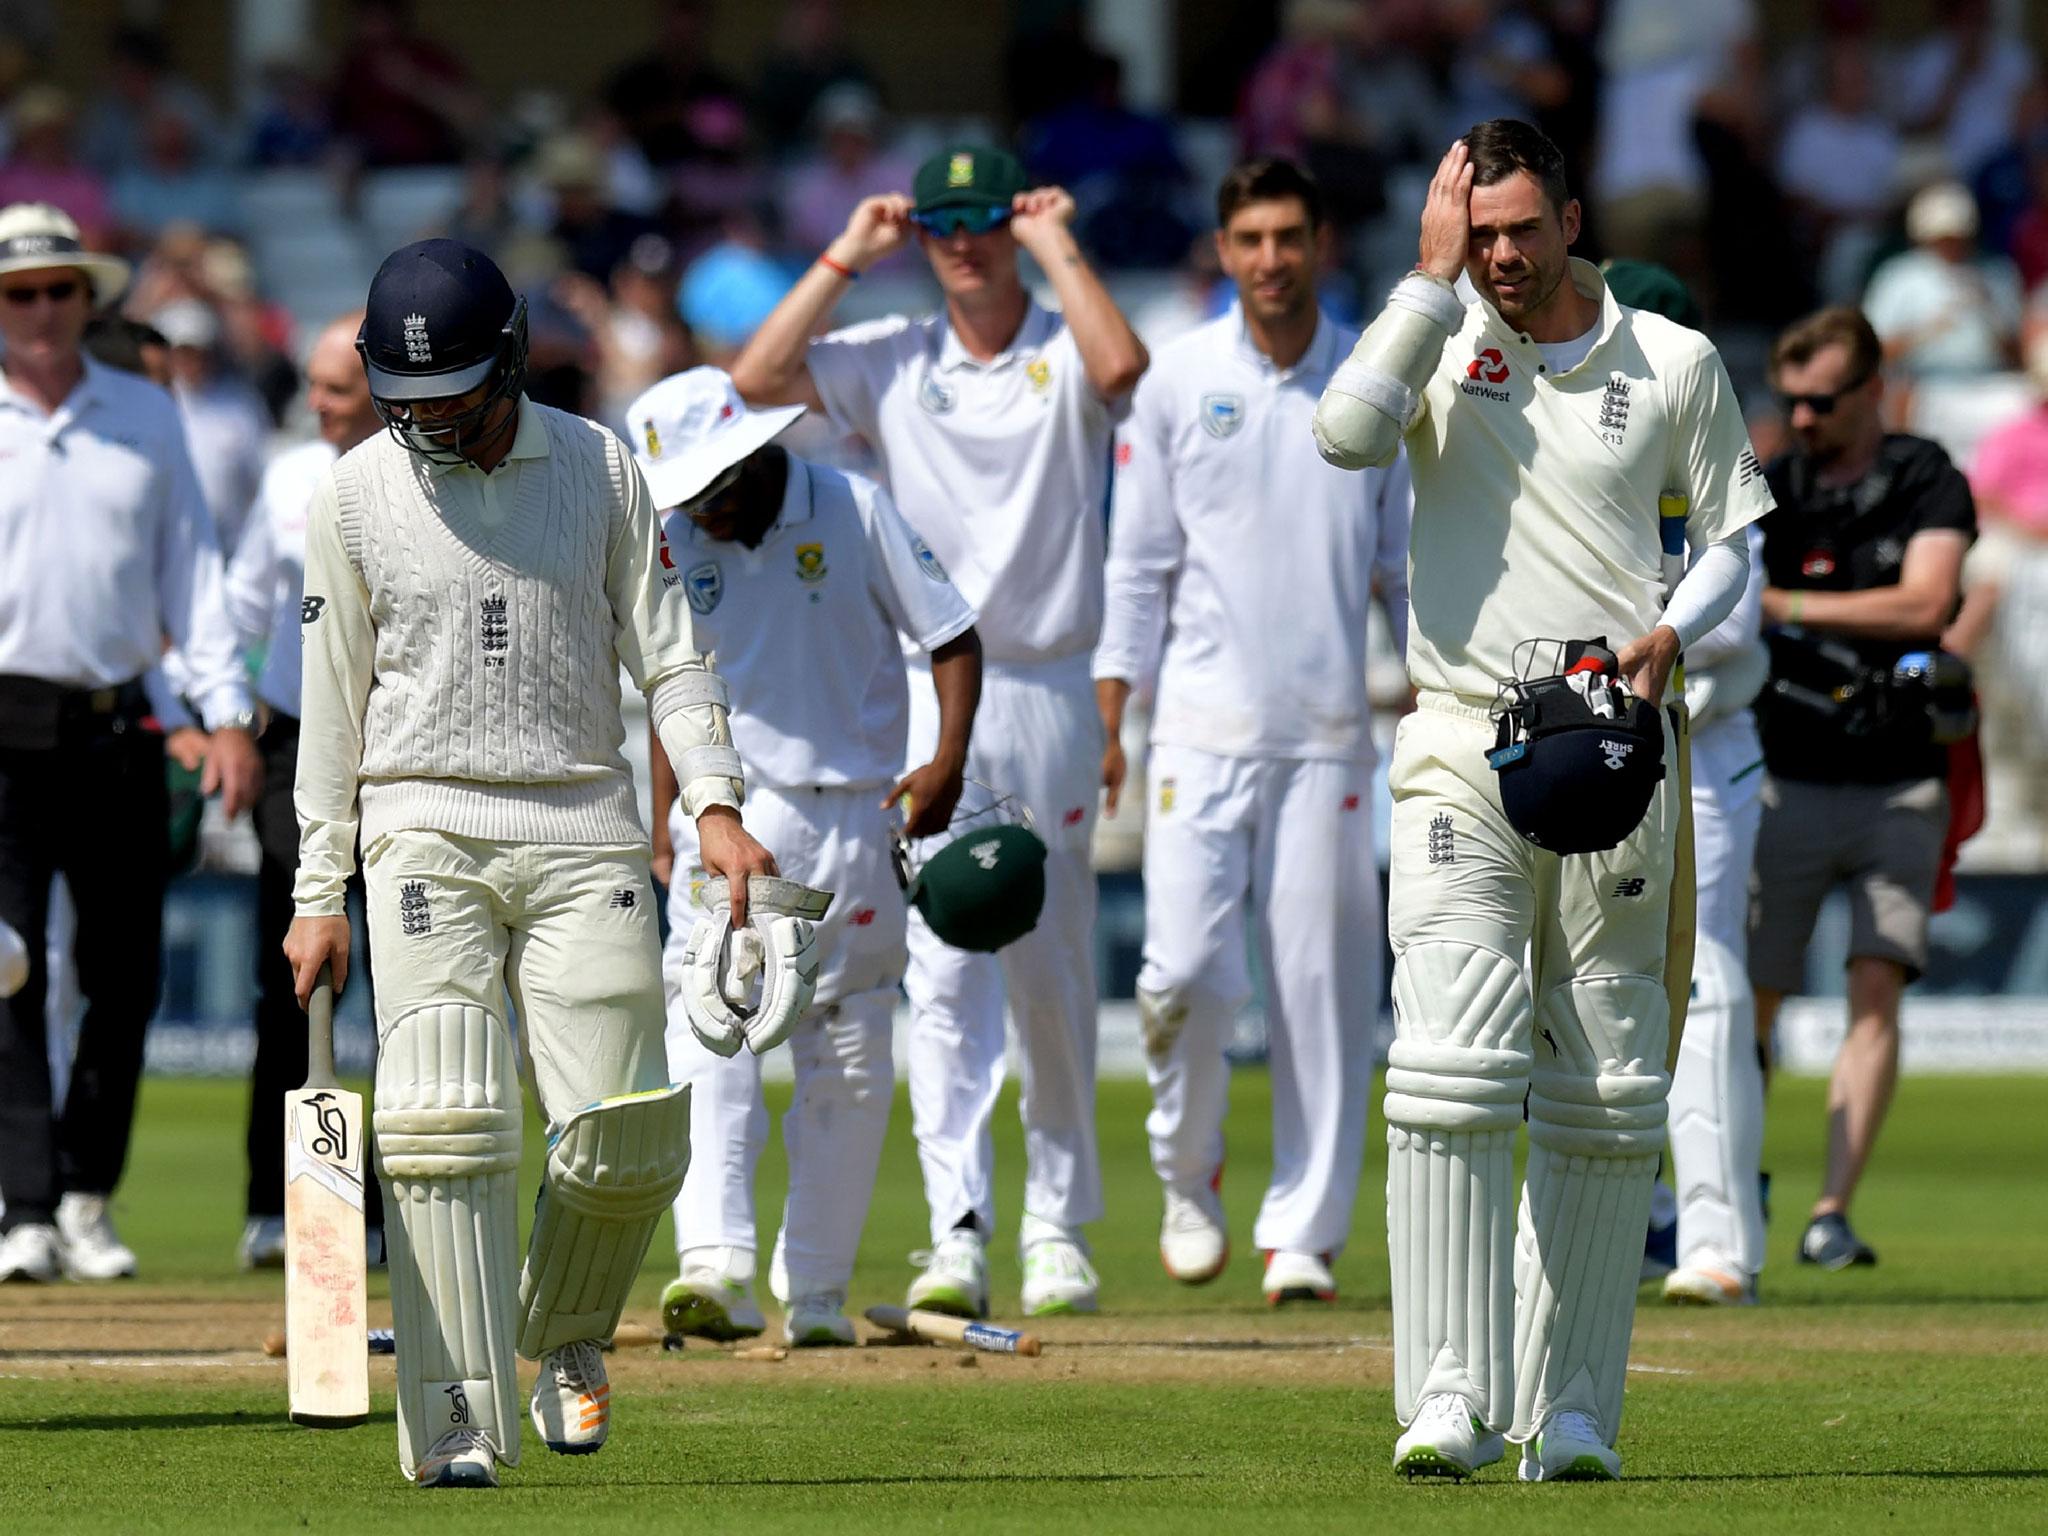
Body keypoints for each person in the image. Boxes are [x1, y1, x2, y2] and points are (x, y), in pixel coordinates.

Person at [1313, 120, 1771, 1480]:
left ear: (1572, 218)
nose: (1504, 255)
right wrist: (1425, 277)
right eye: (1484, 230)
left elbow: (1735, 539)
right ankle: (1444, 1399)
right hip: (1463, 732)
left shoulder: (1672, 359)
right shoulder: (1440, 332)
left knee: (1614, 1088)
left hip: (1619, 740)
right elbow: (1344, 434)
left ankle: (1570, 1412)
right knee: (1451, 1066)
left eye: (1523, 228)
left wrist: (1670, 632)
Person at [281, 238, 777, 1488]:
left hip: (584, 824)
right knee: (444, 1119)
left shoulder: (603, 466)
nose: (429, 426)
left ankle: (561, 1335)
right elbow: (330, 705)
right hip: (421, 827)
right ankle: (452, 1409)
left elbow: (668, 653)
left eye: (450, 397)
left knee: (625, 1137)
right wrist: (314, 890)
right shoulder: (347, 496)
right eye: (407, 406)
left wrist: (712, 805)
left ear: (507, 362)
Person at [729, 145, 1146, 1318]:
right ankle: (958, 1226)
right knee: (940, 966)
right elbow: (749, 386)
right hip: (923, 681)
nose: (959, 240)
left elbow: (1123, 368)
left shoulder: (1062, 339)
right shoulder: (892, 354)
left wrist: (1055, 239)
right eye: (940, 222)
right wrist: (843, 256)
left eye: (979, 218)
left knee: (1051, 962)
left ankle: (1059, 1227)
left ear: (1008, 221)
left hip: (1048, 679)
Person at [1094, 158, 1410, 1306]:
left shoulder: (1373, 383)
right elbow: (1136, 568)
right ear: (1222, 253)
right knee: (1180, 973)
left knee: (1323, 992)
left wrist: (1431, 682)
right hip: (1198, 731)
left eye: (1288, 236)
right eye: (1249, 240)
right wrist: (1111, 718)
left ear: (1318, 243)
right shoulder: (1177, 380)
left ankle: (1303, 1233)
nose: (1269, 259)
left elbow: (1402, 570)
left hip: (1328, 733)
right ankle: (1187, 1176)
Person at [627, 367, 981, 1347]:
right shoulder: (673, 536)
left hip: (853, 810)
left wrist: (945, 760)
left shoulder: (854, 508)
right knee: (708, 1024)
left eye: (712, 491)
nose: (702, 514)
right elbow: (672, 682)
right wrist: (670, 810)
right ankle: (717, 1267)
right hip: (726, 809)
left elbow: (950, 633)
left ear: (752, 457)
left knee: (852, 1048)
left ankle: (817, 1292)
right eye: (686, 497)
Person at [0, 202, 259, 1285]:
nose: (44, 310)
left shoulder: (147, 415)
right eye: (21, 294)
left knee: (127, 975)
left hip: (116, 723)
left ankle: (85, 1195)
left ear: (89, 299)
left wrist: (225, 714)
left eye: (62, 290)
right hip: (1, 726)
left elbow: (193, 578)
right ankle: (21, 1205)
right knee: (5, 967)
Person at [1749, 305, 1974, 1273]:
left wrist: (1784, 607)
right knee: (1749, 999)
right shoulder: (1773, 486)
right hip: (1784, 776)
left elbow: (1926, 602)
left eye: (1820, 401)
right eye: (1790, 401)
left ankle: (1830, 1207)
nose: (1800, 418)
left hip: (1895, 778)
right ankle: (1730, 1183)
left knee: (1873, 984)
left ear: (1869, 390)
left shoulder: (1924, 475)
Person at [1596, 259, 1774, 1308]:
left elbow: (1734, 612)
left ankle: (1716, 1241)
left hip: (1700, 748)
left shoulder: (1702, 429)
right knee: (1582, 982)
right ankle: (1632, 1216)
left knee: (1698, 976)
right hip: (1595, 743)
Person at [226, 312, 387, 1271]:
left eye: (335, 390)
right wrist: (232, 716)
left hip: (400, 746)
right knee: (295, 979)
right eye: (314, 388)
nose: (318, 406)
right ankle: (275, 1201)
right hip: (294, 747)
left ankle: (397, 1202)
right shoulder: (290, 475)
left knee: (411, 986)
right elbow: (242, 604)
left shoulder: (434, 474)